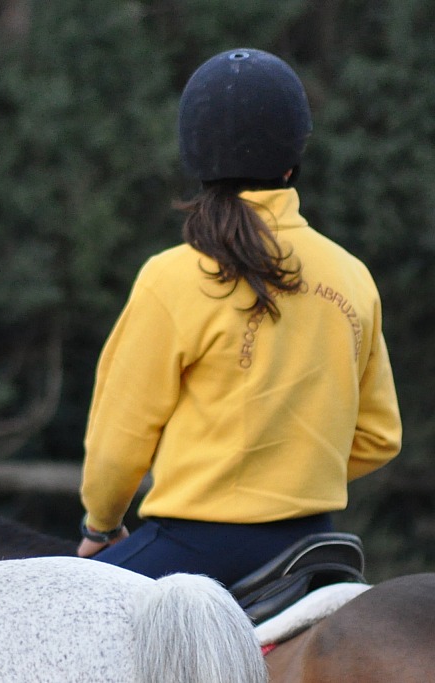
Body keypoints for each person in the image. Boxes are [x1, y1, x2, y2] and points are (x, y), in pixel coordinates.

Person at [75, 48, 401, 587]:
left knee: (50, 616)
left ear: (194, 158)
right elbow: (379, 435)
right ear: (292, 161)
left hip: (196, 547)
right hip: (315, 545)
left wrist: (101, 523)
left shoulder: (172, 276)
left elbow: (119, 443)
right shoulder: (351, 275)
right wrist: (293, 475)